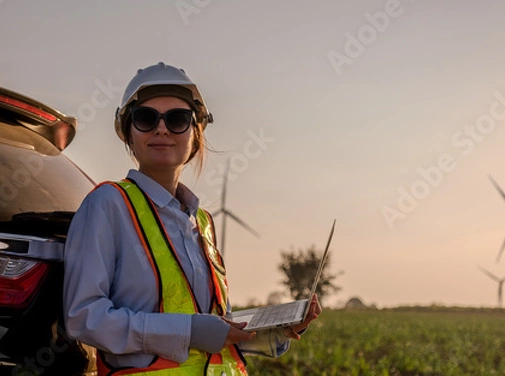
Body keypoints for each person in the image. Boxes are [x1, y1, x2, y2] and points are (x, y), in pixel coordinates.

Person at [63, 62, 321, 375]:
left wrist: (277, 328)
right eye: (146, 119)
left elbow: (215, 332)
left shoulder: (202, 222)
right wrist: (191, 331)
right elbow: (85, 318)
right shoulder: (108, 205)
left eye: (177, 119)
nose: (161, 129)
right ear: (128, 133)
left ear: (196, 133)